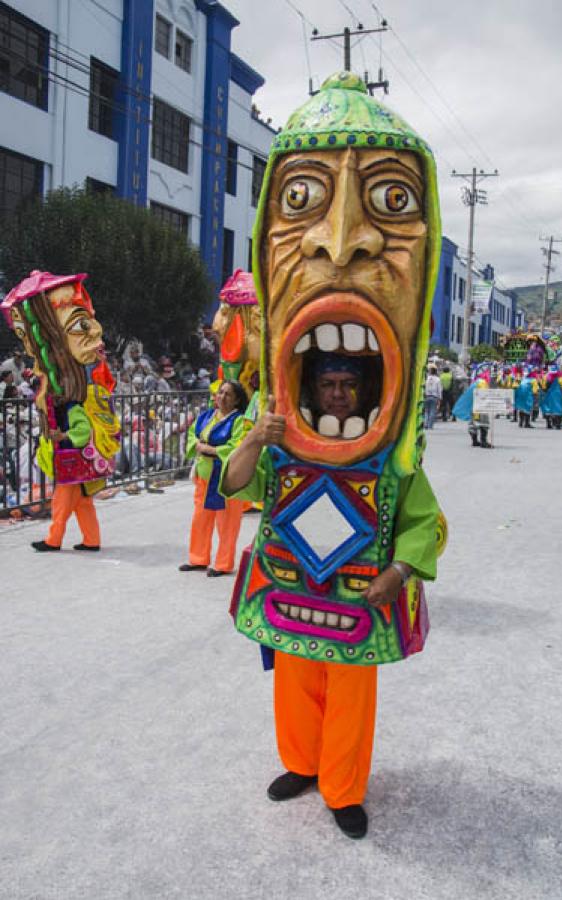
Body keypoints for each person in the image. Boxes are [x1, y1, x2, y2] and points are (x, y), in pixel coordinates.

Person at [220, 72, 441, 840]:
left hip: (355, 599)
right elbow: (233, 484)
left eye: (391, 200)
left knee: (350, 694)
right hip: (288, 589)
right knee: (293, 684)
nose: (338, 238)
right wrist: (254, 436)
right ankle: (303, 763)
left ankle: (344, 786)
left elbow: (424, 521)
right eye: (300, 198)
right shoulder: (272, 415)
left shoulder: (395, 447)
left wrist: (402, 568)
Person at [0, 270, 120, 552]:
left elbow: (81, 428)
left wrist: (60, 435)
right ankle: (92, 540)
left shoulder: (72, 397)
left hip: (71, 455)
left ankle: (54, 539)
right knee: (83, 501)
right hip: (77, 456)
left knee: (64, 499)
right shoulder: (67, 384)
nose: (95, 331)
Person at [179, 379, 250, 576]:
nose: (222, 397)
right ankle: (198, 558)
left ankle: (223, 564)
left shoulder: (239, 421)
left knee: (227, 522)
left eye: (228, 394)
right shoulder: (206, 416)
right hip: (204, 477)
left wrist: (209, 449)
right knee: (200, 519)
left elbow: (238, 446)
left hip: (228, 479)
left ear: (236, 400)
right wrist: (199, 447)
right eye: (220, 392)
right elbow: (193, 436)